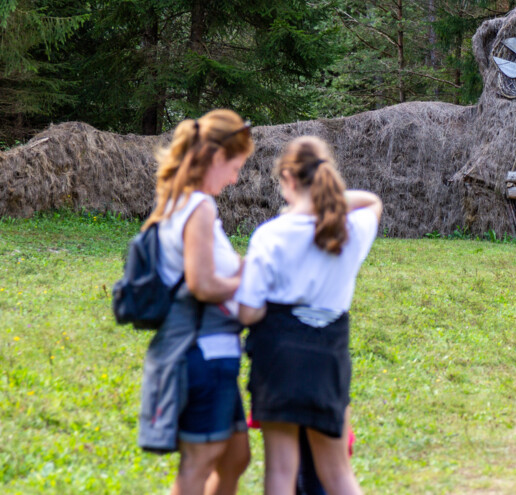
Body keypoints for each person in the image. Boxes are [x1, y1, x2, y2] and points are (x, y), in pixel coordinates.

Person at [235, 136, 382, 495]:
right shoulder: (351, 229)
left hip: (279, 359)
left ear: (287, 177)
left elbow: (248, 312)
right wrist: (325, 203)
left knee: (280, 474)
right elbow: (373, 202)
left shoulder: (270, 236)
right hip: (328, 357)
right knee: (338, 473)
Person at [137, 109, 254, 495]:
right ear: (217, 157)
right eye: (235, 166)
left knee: (236, 458)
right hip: (200, 352)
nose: (236, 177)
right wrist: (248, 276)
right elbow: (203, 284)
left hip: (213, 352)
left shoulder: (184, 204)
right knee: (199, 465)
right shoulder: (198, 208)